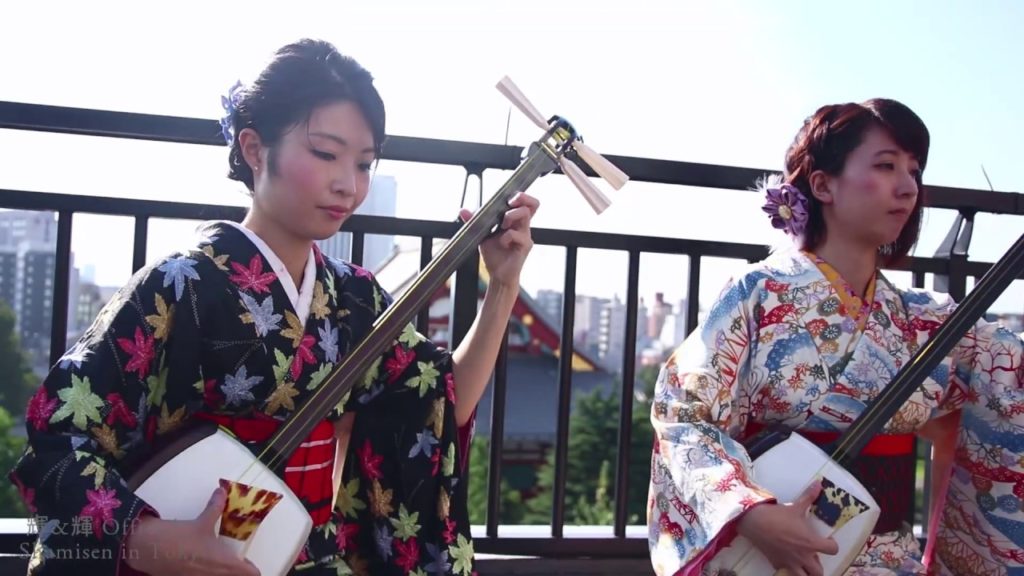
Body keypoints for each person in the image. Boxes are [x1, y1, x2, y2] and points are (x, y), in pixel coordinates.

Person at [7, 38, 540, 576]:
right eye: (326, 154)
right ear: (256, 149)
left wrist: (501, 286)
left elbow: (435, 403)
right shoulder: (179, 287)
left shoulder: (355, 297)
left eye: (364, 164)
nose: (348, 185)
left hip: (305, 553)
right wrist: (153, 540)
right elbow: (62, 435)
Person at [646, 98, 1024, 576]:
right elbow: (685, 412)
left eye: (914, 171)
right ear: (823, 184)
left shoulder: (929, 321)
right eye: (886, 166)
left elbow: (1011, 378)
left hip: (889, 556)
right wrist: (751, 513)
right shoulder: (758, 294)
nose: (908, 188)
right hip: (768, 545)